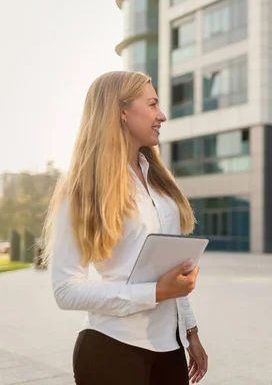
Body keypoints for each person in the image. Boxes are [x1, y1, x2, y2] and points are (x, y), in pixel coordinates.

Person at [42, 71, 208, 384]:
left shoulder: (159, 182)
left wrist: (191, 331)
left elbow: (172, 270)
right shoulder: (81, 188)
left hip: (169, 348)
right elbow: (65, 291)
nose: (162, 115)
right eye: (152, 104)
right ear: (122, 111)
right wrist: (155, 292)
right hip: (111, 351)